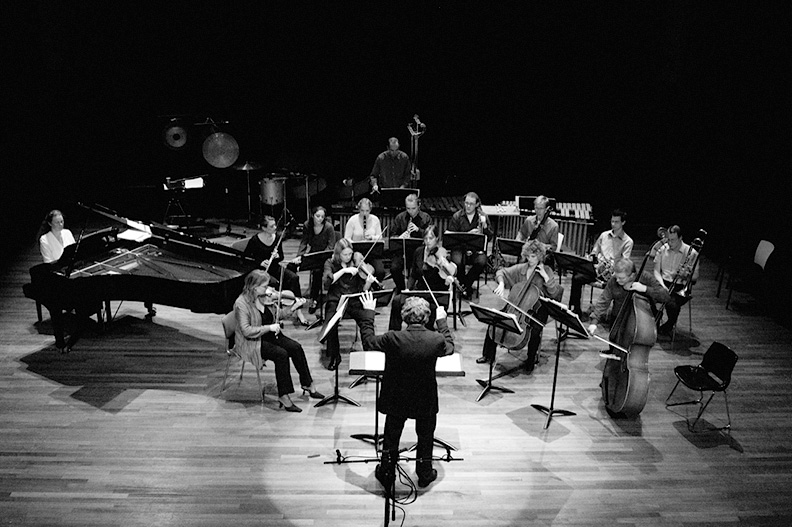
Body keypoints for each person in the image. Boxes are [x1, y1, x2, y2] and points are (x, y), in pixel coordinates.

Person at [359, 291, 454, 489]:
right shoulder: (435, 339)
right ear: (427, 317)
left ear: (404, 317)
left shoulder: (393, 338)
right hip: (424, 397)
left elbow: (368, 342)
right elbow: (450, 346)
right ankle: (424, 473)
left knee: (392, 435)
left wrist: (368, 313)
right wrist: (443, 322)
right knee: (425, 435)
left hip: (397, 397)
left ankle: (387, 472)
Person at [233, 270, 324, 412]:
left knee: (296, 347)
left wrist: (293, 307)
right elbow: (246, 330)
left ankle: (307, 384)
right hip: (252, 341)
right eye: (264, 286)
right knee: (281, 354)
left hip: (269, 335)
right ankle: (284, 395)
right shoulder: (241, 303)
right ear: (254, 287)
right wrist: (269, 327)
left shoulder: (264, 298)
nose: (268, 289)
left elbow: (279, 315)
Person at [476, 239, 563, 369]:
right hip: (517, 304)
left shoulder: (547, 270)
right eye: (528, 256)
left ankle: (530, 359)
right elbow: (502, 272)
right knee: (495, 319)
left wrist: (545, 277)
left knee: (535, 330)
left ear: (540, 256)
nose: (530, 259)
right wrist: (501, 283)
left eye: (533, 256)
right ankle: (488, 355)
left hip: (538, 308)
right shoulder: (521, 268)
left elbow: (554, 293)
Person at [320, 238, 378, 370]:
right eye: (345, 255)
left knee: (366, 319)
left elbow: (363, 289)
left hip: (353, 300)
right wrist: (343, 271)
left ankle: (368, 353)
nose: (348, 257)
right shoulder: (330, 263)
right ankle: (335, 356)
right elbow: (326, 283)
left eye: (350, 254)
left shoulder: (357, 263)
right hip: (336, 300)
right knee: (331, 323)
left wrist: (368, 283)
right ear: (338, 254)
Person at [389, 224, 457, 331]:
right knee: (397, 301)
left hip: (436, 294)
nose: (428, 241)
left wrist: (447, 281)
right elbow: (413, 275)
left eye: (431, 238)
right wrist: (408, 288)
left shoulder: (442, 254)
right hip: (419, 291)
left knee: (428, 317)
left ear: (437, 239)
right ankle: (393, 333)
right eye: (425, 238)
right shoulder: (419, 251)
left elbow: (450, 273)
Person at [568, 209, 633, 317]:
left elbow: (624, 262)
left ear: (623, 222)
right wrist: (593, 258)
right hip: (597, 270)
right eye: (612, 221)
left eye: (616, 222)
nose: (613, 224)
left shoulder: (628, 241)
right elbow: (594, 251)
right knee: (577, 275)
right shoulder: (604, 235)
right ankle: (576, 309)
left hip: (611, 274)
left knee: (618, 283)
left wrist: (612, 268)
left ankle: (614, 315)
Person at [244, 216, 308, 326]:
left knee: (294, 278)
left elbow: (281, 257)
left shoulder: (277, 237)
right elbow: (246, 258)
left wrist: (277, 256)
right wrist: (260, 262)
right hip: (261, 272)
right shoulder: (254, 240)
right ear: (264, 228)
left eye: (275, 225)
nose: (275, 227)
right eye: (272, 226)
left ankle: (299, 311)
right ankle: (276, 314)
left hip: (274, 267)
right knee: (275, 283)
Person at [586, 258, 671, 333]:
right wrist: (594, 322)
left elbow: (665, 296)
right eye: (617, 277)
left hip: (642, 324)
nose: (617, 280)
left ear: (632, 275)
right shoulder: (614, 280)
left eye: (621, 278)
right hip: (618, 319)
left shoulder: (645, 277)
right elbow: (604, 300)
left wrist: (645, 289)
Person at [288, 206, 336, 314]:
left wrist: (322, 254)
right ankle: (294, 298)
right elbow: (304, 242)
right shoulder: (307, 225)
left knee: (317, 271)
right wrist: (299, 256)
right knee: (291, 267)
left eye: (322, 217)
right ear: (312, 215)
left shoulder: (329, 227)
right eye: (317, 216)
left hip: (325, 256)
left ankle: (314, 299)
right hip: (313, 254)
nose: (320, 219)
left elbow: (331, 246)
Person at [653, 225, 699, 334]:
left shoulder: (692, 253)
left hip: (680, 286)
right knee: (648, 296)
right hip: (663, 282)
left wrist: (686, 275)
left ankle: (670, 323)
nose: (669, 243)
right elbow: (656, 271)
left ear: (680, 238)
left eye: (673, 240)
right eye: (668, 239)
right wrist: (662, 285)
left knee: (671, 304)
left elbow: (695, 279)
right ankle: (656, 320)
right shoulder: (663, 249)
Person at [447, 191, 493, 299]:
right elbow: (450, 236)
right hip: (459, 249)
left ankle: (465, 285)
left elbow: (489, 237)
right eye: (466, 203)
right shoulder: (457, 216)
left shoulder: (483, 216)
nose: (468, 206)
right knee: (457, 261)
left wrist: (485, 228)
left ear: (477, 204)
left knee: (482, 261)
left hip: (475, 249)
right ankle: (465, 287)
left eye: (471, 204)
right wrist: (468, 234)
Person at [389, 193, 433, 292]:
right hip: (402, 250)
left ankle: (418, 288)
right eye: (408, 208)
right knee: (394, 268)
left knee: (421, 268)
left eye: (413, 208)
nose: (411, 212)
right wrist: (400, 237)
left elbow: (431, 236)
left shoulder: (426, 218)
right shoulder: (400, 218)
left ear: (419, 205)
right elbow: (392, 236)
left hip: (420, 251)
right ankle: (401, 288)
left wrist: (418, 230)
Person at [343, 197, 385, 281]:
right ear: (358, 209)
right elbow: (346, 238)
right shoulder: (352, 221)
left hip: (372, 253)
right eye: (362, 211)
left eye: (367, 211)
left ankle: (374, 288)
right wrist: (356, 242)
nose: (364, 213)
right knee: (358, 270)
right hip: (356, 253)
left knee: (380, 272)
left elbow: (380, 237)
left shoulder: (375, 220)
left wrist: (372, 237)